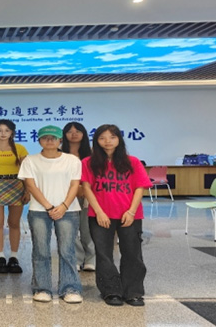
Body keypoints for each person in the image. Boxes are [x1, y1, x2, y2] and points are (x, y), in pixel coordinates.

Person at [81, 124, 152, 307]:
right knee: (103, 254)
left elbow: (140, 187)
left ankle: (133, 292)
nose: (108, 141)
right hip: (100, 215)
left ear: (119, 139)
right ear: (96, 141)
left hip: (129, 215)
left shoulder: (132, 162)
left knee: (132, 252)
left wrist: (131, 211)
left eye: (112, 137)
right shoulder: (88, 162)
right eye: (102, 138)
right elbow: (87, 188)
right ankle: (111, 291)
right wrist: (99, 212)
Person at [19, 125, 83, 303]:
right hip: (39, 210)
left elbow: (75, 185)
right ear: (39, 140)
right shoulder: (30, 160)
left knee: (67, 250)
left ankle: (70, 288)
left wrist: (63, 206)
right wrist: (48, 206)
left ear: (60, 140)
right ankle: (42, 288)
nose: (49, 140)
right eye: (45, 137)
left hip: (68, 210)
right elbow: (31, 185)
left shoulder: (72, 160)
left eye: (53, 137)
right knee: (41, 250)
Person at [0, 119, 29, 274]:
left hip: (16, 185)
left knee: (14, 223)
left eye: (7, 130)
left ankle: (14, 256)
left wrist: (27, 191)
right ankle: (0, 257)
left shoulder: (20, 148)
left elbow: (27, 172)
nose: (3, 133)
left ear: (12, 132)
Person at [62, 121, 96, 272]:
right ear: (64, 135)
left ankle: (91, 259)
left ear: (84, 134)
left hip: (88, 195)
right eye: (70, 131)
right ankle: (75, 258)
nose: (74, 134)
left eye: (77, 131)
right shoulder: (58, 153)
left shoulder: (92, 153)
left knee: (87, 228)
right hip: (66, 195)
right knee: (70, 229)